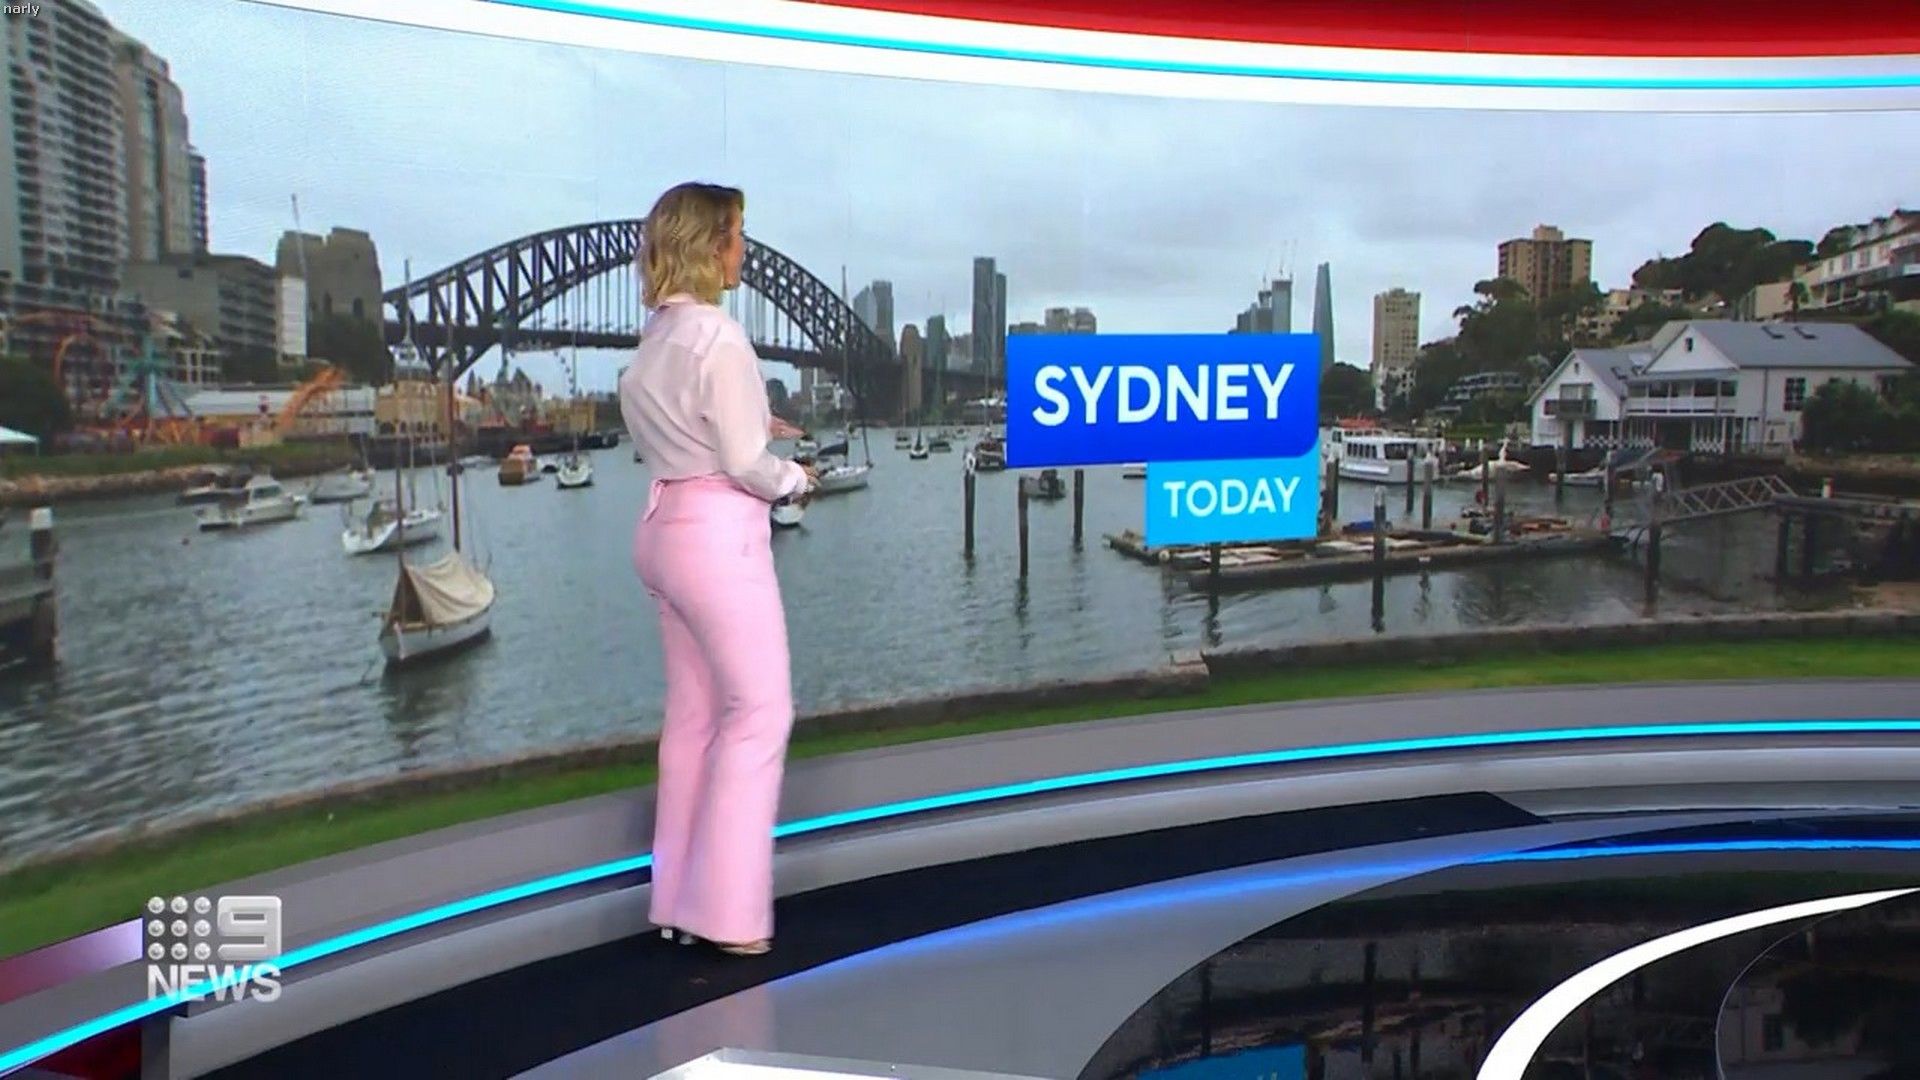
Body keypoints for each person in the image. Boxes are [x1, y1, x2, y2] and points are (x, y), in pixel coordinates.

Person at [619, 182, 817, 957]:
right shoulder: (721, 336)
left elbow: (687, 426)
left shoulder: (656, 342)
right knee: (760, 714)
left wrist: (757, 420)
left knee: (693, 720)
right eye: (737, 235)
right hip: (716, 541)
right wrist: (793, 478)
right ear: (710, 246)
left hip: (662, 531)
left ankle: (675, 901)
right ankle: (729, 915)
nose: (744, 250)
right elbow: (740, 462)